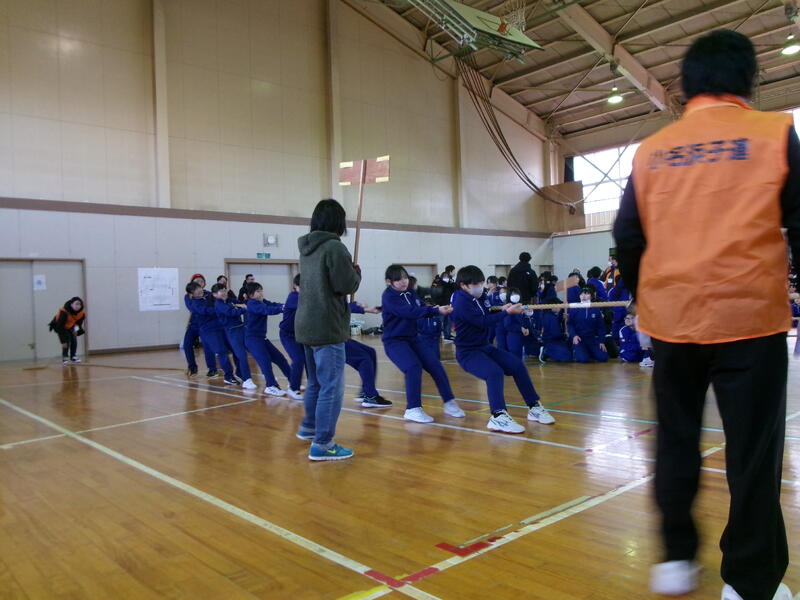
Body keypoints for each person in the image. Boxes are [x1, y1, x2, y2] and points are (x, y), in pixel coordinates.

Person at [613, 29, 798, 600]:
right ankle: (749, 583)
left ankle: (675, 559)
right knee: (752, 456)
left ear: (687, 84)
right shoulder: (775, 134)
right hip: (751, 321)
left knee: (675, 441)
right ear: (748, 79)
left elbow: (627, 236)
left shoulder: (651, 150)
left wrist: (649, 298)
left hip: (672, 323)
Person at [451, 265, 554, 433]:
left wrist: (504, 308)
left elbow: (488, 313)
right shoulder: (460, 301)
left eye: (481, 283)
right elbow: (482, 322)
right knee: (494, 373)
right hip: (468, 352)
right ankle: (498, 416)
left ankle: (534, 406)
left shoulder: (480, 296)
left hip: (485, 346)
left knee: (517, 366)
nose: (480, 287)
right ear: (463, 285)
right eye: (476, 284)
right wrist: (507, 313)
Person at [294, 199, 360, 461]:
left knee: (316, 382)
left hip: (306, 323)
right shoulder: (334, 247)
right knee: (332, 387)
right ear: (338, 221)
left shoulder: (307, 248)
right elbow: (345, 285)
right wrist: (356, 273)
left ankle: (309, 427)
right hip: (327, 324)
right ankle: (323, 444)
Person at [381, 264, 462, 423]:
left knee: (435, 365)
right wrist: (436, 311)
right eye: (398, 279)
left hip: (413, 338)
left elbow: (420, 306)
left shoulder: (410, 292)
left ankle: (449, 401)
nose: (403, 281)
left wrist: (436, 307)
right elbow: (409, 312)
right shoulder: (389, 296)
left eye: (405, 277)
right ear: (388, 282)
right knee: (413, 366)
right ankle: (413, 409)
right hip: (394, 341)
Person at [243, 282, 295, 397]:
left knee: (280, 358)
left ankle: (293, 382)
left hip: (262, 338)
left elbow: (273, 304)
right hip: (252, 339)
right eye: (258, 291)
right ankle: (271, 386)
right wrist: (283, 308)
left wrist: (287, 306)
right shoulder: (252, 304)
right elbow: (267, 310)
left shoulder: (262, 301)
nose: (261, 293)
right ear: (251, 295)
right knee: (265, 362)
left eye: (261, 290)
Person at [186, 282, 236, 383]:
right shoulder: (194, 303)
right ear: (191, 294)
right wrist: (221, 308)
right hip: (209, 330)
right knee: (221, 351)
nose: (198, 290)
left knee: (235, 349)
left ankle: (240, 373)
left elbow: (224, 300)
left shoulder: (209, 294)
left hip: (222, 327)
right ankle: (228, 375)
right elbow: (207, 311)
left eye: (199, 287)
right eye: (195, 290)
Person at [348, 302, 392, 408]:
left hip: (338, 337)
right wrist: (365, 309)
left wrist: (357, 305)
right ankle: (371, 397)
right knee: (364, 359)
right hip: (331, 340)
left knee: (370, 352)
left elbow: (341, 304)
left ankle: (365, 392)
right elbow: (339, 305)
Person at [213, 283, 256, 389]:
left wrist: (245, 303)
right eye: (221, 291)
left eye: (225, 290)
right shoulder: (219, 304)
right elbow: (231, 312)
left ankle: (241, 373)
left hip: (241, 328)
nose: (224, 292)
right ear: (215, 294)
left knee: (248, 352)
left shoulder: (230, 300)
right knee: (241, 355)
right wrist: (244, 309)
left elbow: (241, 303)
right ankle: (247, 379)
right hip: (232, 331)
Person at [182, 274, 217, 377]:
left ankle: (212, 369)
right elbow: (192, 308)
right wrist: (208, 309)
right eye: (197, 281)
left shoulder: (209, 294)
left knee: (207, 346)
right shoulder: (188, 296)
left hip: (206, 324)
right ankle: (192, 367)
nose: (199, 283)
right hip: (193, 324)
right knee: (187, 344)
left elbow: (215, 306)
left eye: (201, 281)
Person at [279, 274, 306, 397]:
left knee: (309, 360)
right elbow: (308, 305)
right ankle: (293, 388)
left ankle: (311, 385)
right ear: (295, 286)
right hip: (288, 335)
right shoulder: (293, 296)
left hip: (301, 334)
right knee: (298, 359)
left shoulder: (306, 296)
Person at [567, 287, 608, 364]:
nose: (583, 296)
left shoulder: (596, 309)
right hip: (579, 338)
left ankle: (588, 351)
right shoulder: (574, 308)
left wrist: (601, 341)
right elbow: (570, 324)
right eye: (582, 294)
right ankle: (577, 351)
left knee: (603, 357)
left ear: (591, 296)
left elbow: (601, 327)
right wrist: (574, 335)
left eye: (586, 294)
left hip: (591, 339)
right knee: (583, 359)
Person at [48, 297, 85, 365]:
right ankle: (65, 358)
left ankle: (73, 356)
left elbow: (78, 323)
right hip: (60, 327)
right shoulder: (64, 312)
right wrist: (63, 341)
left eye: (80, 304)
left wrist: (76, 330)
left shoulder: (81, 313)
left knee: (74, 340)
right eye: (76, 304)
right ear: (71, 304)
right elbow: (60, 327)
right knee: (66, 342)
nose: (78, 306)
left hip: (71, 326)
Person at [540, 298, 571, 362]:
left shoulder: (549, 315)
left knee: (569, 349)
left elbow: (556, 323)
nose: (559, 307)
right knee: (566, 356)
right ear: (552, 306)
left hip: (554, 340)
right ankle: (546, 351)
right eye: (558, 305)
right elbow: (555, 334)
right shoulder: (551, 317)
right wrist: (565, 335)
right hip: (551, 342)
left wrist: (562, 319)